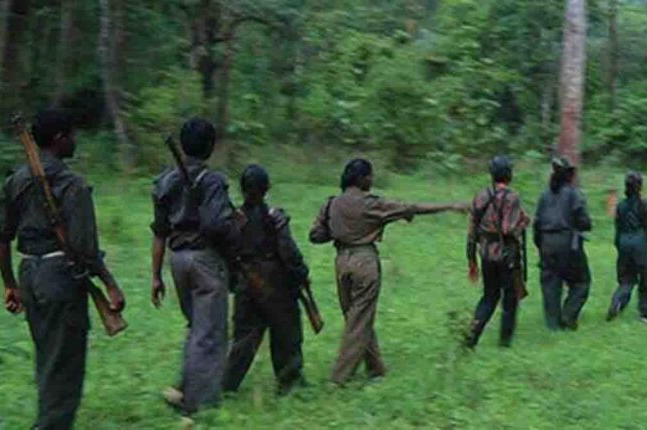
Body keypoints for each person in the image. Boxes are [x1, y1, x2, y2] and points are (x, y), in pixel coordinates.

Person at [0, 110, 125, 429]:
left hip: (29, 274)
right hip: (59, 279)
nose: (75, 141)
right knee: (64, 365)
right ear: (58, 139)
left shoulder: (15, 181)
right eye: (71, 136)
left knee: (48, 356)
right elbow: (85, 248)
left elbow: (2, 237)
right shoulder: (72, 184)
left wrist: (10, 283)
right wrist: (110, 284)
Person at [309, 158, 467, 385]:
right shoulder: (372, 204)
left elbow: (315, 235)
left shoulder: (331, 203)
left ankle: (376, 370)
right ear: (362, 179)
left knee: (356, 316)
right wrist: (450, 206)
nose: (372, 180)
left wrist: (340, 229)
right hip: (365, 261)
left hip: (341, 261)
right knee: (359, 319)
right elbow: (412, 208)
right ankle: (339, 379)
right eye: (370, 176)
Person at [150, 118, 243, 414]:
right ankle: (199, 404)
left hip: (177, 259)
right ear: (210, 146)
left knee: (197, 327)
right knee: (210, 332)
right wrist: (234, 225)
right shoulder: (212, 181)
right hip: (204, 258)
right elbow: (217, 225)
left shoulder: (165, 181)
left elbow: (159, 232)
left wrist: (155, 276)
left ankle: (185, 387)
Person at [222, 165, 309, 395]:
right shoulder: (275, 217)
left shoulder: (233, 221)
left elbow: (227, 252)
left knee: (243, 337)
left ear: (242, 189)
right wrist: (300, 273)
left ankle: (227, 384)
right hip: (276, 282)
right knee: (286, 332)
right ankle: (289, 381)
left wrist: (234, 281)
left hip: (246, 280)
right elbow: (288, 250)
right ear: (267, 188)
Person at [464, 156, 530, 348]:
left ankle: (471, 336)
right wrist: (524, 222)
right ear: (509, 174)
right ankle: (504, 343)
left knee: (489, 297)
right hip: (507, 256)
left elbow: (472, 231)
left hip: (486, 255)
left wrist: (471, 260)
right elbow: (508, 229)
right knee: (510, 299)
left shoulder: (481, 195)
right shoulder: (512, 197)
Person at [533, 157, 592, 331]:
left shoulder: (544, 195)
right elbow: (584, 221)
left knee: (550, 284)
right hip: (567, 243)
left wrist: (540, 245)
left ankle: (553, 324)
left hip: (546, 243)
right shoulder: (573, 194)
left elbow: (537, 224)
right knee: (581, 282)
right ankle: (568, 315)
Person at [606, 171, 647, 323]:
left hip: (624, 243)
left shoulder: (620, 206)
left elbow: (618, 228)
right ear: (640, 186)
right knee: (646, 279)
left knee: (626, 279)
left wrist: (619, 245)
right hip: (642, 245)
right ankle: (646, 314)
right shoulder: (646, 204)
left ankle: (617, 301)